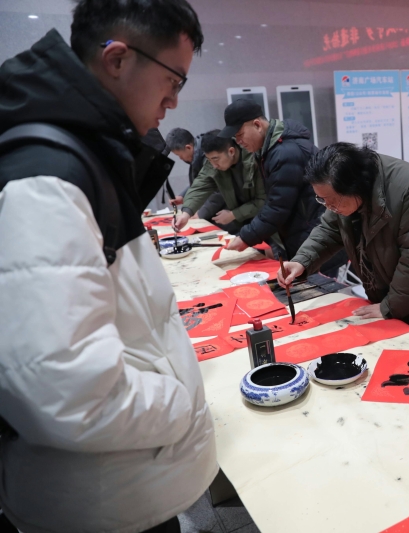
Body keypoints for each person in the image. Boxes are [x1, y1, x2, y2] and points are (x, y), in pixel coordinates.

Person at [0, 1, 217, 532]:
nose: (174, 100)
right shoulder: (48, 178)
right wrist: (179, 403)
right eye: (173, 79)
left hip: (116, 481)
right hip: (101, 499)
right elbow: (65, 389)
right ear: (117, 59)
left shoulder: (84, 153)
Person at [278, 143, 409, 354]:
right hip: (402, 295)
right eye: (322, 200)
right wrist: (302, 261)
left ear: (354, 186)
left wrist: (389, 307)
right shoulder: (344, 192)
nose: (329, 207)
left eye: (332, 202)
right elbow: (330, 229)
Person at [218, 99, 324, 259]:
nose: (239, 142)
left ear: (257, 125)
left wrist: (246, 237)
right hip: (305, 233)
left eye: (240, 135)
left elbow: (278, 206)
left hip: (316, 237)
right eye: (235, 137)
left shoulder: (284, 153)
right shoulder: (270, 150)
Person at [174, 130, 265, 235]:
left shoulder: (254, 160)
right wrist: (186, 214)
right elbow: (200, 186)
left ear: (231, 152)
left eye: (215, 159)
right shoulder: (214, 162)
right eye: (209, 160)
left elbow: (263, 200)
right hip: (244, 225)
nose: (214, 165)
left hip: (265, 223)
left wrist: (233, 214)